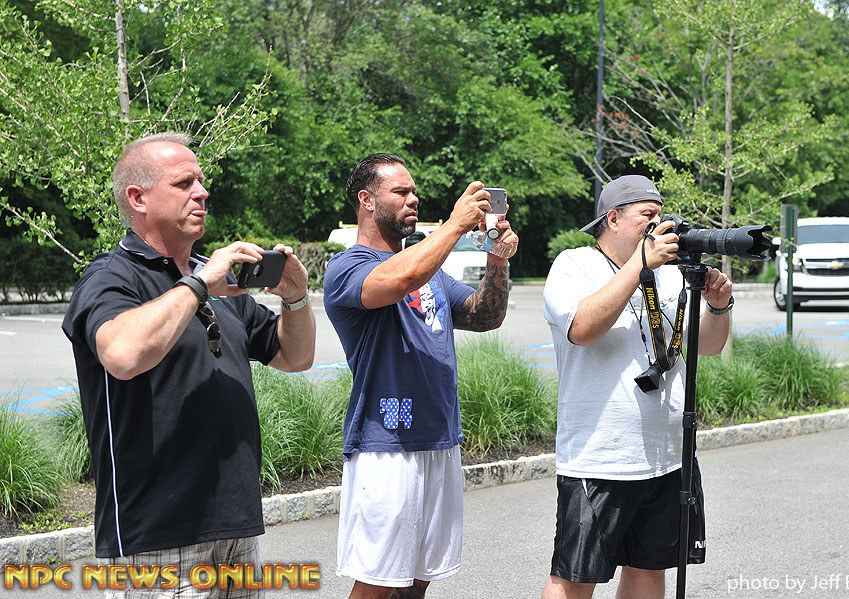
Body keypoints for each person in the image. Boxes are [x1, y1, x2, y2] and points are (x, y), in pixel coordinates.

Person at [62, 132, 316, 598]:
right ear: (138, 198)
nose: (202, 192)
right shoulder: (110, 277)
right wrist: (198, 285)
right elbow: (122, 354)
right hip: (156, 539)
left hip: (235, 530)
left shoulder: (216, 280)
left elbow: (295, 357)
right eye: (184, 183)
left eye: (201, 180)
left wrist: (295, 299)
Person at [323, 153, 517, 599]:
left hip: (439, 438)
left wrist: (497, 259)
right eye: (400, 192)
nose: (413, 199)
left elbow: (484, 316)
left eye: (414, 192)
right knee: (377, 583)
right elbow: (398, 280)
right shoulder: (347, 267)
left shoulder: (431, 271)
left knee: (418, 581)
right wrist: (455, 225)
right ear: (367, 200)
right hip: (387, 444)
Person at [541, 175, 733, 599]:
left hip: (668, 457)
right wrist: (640, 265)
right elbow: (582, 328)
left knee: (649, 569)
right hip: (601, 457)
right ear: (613, 218)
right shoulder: (574, 265)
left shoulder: (669, 275)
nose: (658, 224)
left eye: (660, 214)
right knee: (575, 576)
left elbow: (708, 346)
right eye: (648, 215)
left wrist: (719, 307)